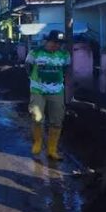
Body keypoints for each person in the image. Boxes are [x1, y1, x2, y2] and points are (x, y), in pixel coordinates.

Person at [25, 30, 71, 160]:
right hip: (38, 90)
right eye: (54, 42)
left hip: (56, 91)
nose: (56, 45)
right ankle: (38, 143)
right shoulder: (35, 53)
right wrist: (34, 80)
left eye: (59, 43)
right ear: (47, 41)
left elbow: (66, 69)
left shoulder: (64, 54)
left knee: (57, 120)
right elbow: (27, 67)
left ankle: (52, 150)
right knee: (37, 117)